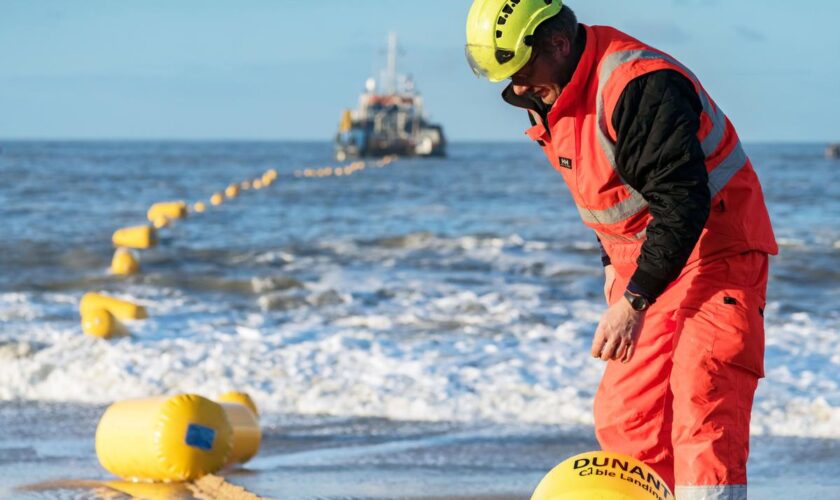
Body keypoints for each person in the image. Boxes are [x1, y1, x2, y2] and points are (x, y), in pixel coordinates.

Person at [465, 1, 778, 498]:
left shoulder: (640, 86)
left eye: (521, 71)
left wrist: (633, 302)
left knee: (704, 407)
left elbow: (682, 200)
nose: (517, 87)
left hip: (718, 252)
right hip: (652, 268)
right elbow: (610, 198)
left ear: (559, 45)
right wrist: (616, 270)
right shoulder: (550, 97)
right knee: (628, 418)